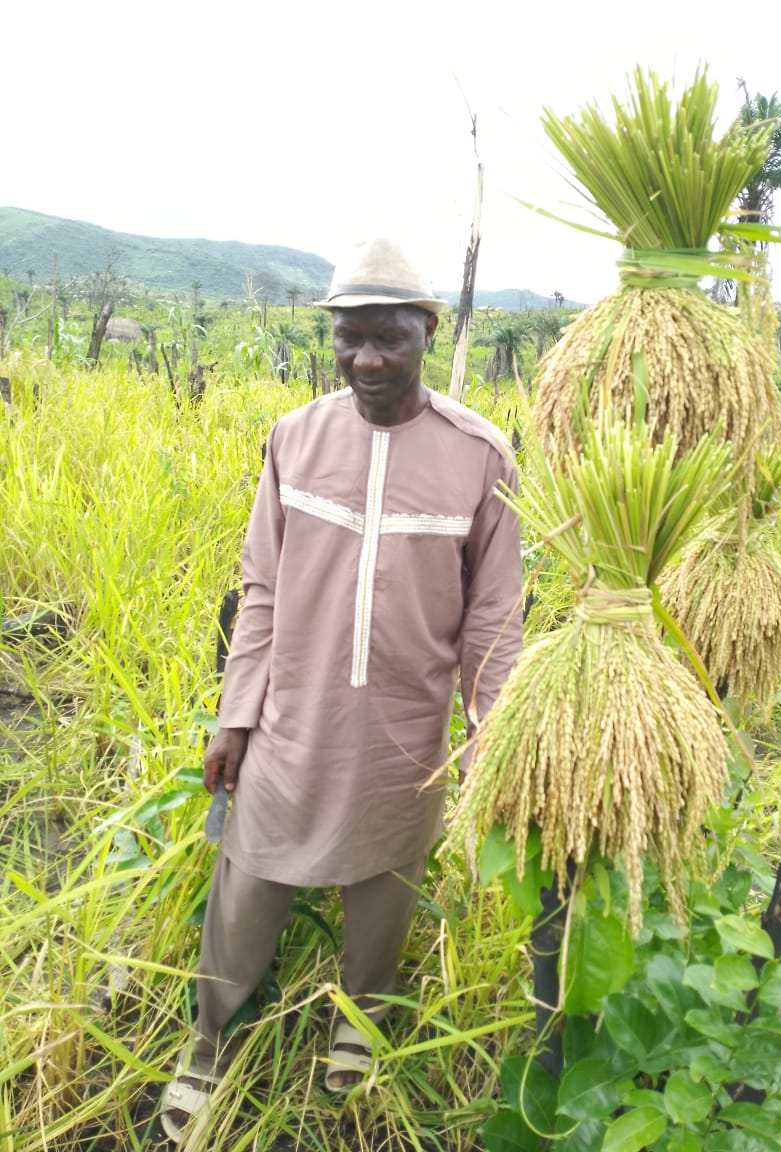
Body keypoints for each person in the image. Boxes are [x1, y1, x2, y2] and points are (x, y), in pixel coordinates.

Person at [160, 237, 523, 1141]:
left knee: (385, 880)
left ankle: (359, 1021)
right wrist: (235, 716)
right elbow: (262, 588)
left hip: (405, 724)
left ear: (428, 331)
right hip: (293, 712)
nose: (366, 360)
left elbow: (493, 617)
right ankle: (209, 1037)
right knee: (250, 876)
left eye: (388, 338)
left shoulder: (480, 456)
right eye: (349, 337)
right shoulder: (296, 438)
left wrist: (489, 732)